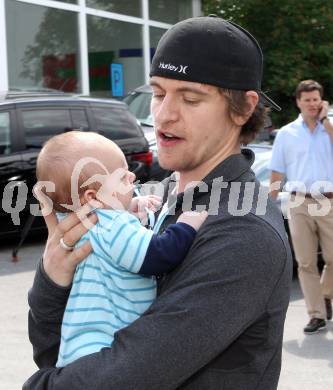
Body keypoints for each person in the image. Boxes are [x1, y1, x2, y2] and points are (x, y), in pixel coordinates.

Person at [23, 16, 292, 390]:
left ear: (243, 109)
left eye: (190, 97)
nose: (164, 114)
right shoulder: (152, 198)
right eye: (159, 92)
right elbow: (57, 353)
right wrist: (53, 275)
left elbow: (122, 377)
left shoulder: (244, 232)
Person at [35, 130, 207, 367]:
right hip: (103, 348)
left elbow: (107, 219)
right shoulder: (114, 225)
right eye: (122, 176)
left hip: (78, 347)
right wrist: (188, 223)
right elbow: (159, 254)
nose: (131, 176)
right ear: (93, 196)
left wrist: (130, 205)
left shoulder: (76, 220)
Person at [269, 79, 333, 334]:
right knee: (306, 262)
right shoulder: (286, 134)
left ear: (322, 101)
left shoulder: (330, 128)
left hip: (329, 200)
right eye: (307, 100)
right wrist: (270, 206)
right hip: (298, 202)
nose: (312, 104)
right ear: (298, 102)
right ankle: (316, 313)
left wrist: (326, 120)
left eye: (316, 99)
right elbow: (276, 172)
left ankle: (326, 294)